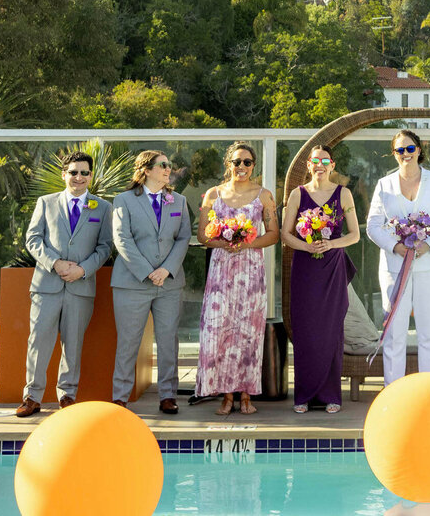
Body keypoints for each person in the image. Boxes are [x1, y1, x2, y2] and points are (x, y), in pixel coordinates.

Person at [15, 152, 112, 418]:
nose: (78, 177)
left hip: (81, 287)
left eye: (84, 173)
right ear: (64, 174)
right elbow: (33, 238)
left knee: (73, 343)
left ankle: (67, 394)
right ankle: (32, 397)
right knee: (38, 342)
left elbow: (105, 246)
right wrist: (55, 263)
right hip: (47, 285)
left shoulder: (103, 208)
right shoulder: (46, 203)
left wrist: (83, 270)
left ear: (91, 176)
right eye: (73, 172)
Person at [365, 128, 430, 383]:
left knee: (429, 333)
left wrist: (429, 244)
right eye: (400, 150)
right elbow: (373, 226)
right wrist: (396, 247)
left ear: (418, 150)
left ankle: (427, 391)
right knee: (395, 332)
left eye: (409, 148)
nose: (405, 154)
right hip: (394, 268)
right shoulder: (384, 184)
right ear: (394, 154)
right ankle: (392, 389)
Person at [195, 141, 280, 416]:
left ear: (253, 166)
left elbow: (273, 234)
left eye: (247, 162)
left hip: (251, 271)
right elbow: (202, 236)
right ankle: (226, 395)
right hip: (221, 270)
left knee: (248, 332)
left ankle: (246, 395)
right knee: (219, 331)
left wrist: (247, 243)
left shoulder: (264, 195)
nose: (241, 167)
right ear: (228, 164)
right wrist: (222, 241)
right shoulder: (212, 194)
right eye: (236, 161)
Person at [111, 148, 194, 414]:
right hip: (132, 283)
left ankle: (168, 395)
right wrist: (148, 271)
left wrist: (166, 269)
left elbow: (183, 238)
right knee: (128, 341)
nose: (168, 169)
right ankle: (120, 397)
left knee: (168, 341)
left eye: (169, 165)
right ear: (146, 170)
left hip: (168, 284)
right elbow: (122, 239)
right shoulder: (123, 200)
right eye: (162, 165)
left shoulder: (178, 201)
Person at [282, 144, 360, 414]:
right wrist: (305, 246)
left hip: (332, 268)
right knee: (305, 331)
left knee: (330, 329)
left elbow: (355, 235)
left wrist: (331, 244)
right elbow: (285, 234)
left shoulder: (344, 194)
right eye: (315, 160)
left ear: (332, 166)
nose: (320, 165)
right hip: (304, 268)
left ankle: (331, 395)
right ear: (308, 165)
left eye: (325, 160)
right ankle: (303, 395)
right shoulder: (297, 194)